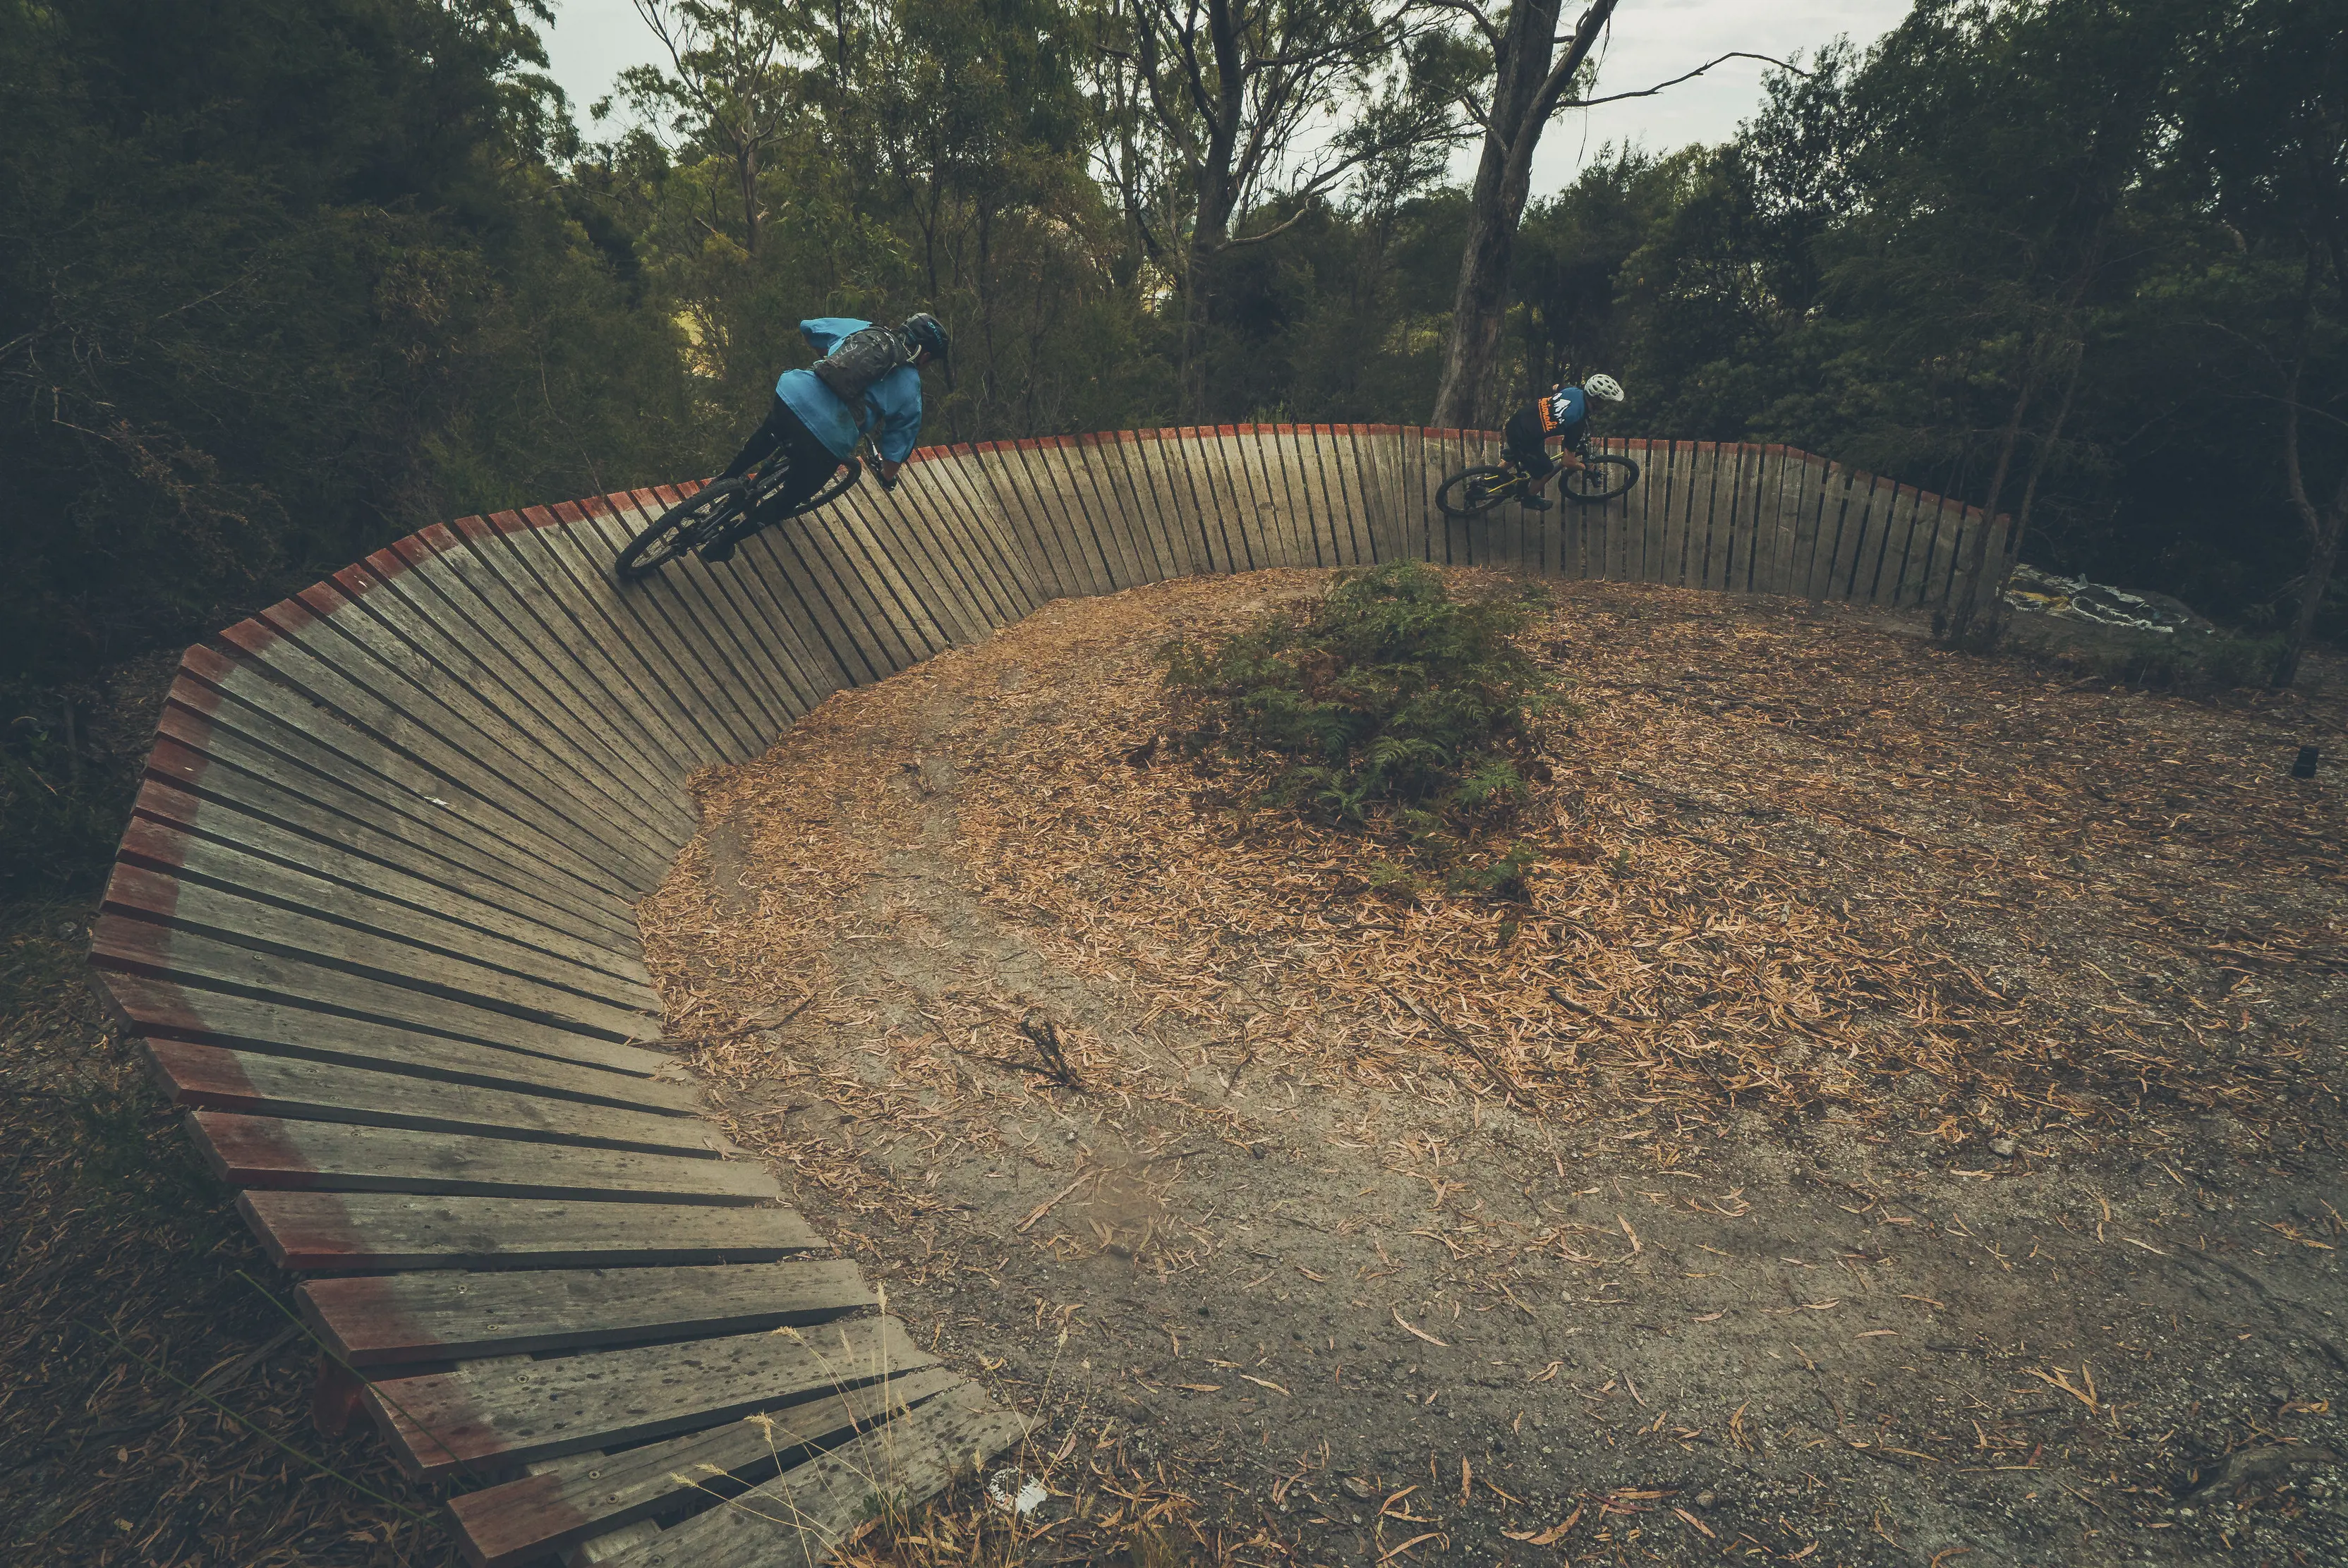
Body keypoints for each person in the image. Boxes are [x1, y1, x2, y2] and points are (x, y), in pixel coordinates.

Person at [701, 312, 952, 561]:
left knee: (765, 438)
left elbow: (808, 328)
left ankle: (721, 483)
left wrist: (832, 357)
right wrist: (887, 477)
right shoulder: (910, 386)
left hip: (794, 395)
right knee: (791, 497)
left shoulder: (863, 330)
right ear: (926, 356)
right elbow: (896, 447)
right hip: (828, 438)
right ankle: (724, 542)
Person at [1501, 372, 1623, 511]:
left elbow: (1555, 387)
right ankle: (1529, 498)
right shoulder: (1577, 422)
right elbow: (1568, 461)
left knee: (1525, 452)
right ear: (1596, 400)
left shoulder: (1573, 390)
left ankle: (1496, 475)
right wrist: (1586, 467)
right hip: (1523, 436)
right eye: (1606, 402)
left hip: (1519, 420)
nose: (1606, 406)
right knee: (1545, 468)